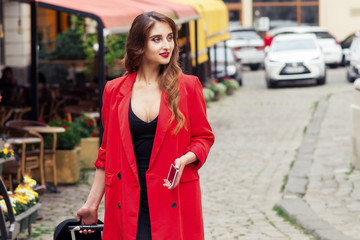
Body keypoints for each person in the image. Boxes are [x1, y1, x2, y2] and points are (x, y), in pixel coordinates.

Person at [76, 11, 215, 240]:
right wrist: (92, 205)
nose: (167, 45)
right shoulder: (114, 90)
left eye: (170, 37)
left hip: (173, 195)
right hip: (128, 199)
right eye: (157, 39)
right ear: (139, 45)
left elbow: (204, 138)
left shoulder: (188, 87)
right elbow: (106, 154)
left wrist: (185, 159)